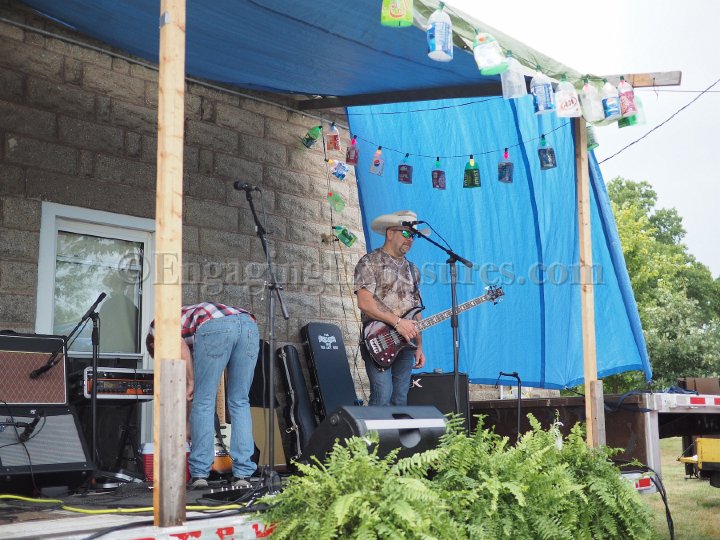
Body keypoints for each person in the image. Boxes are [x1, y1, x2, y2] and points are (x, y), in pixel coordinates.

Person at [146, 302, 259, 490]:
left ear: (154, 344)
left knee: (204, 401)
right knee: (239, 401)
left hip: (215, 326)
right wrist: (187, 423)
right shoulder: (190, 331)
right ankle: (243, 474)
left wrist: (191, 381)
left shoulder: (156, 328)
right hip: (249, 325)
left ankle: (199, 474)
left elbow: (180, 348)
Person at [354, 210, 428, 406]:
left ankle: (394, 430)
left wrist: (419, 345)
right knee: (382, 396)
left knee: (399, 399)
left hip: (407, 343)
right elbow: (365, 303)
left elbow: (415, 309)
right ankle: (374, 429)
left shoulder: (413, 270)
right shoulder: (369, 262)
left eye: (413, 236)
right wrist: (398, 323)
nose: (410, 239)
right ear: (389, 233)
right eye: (405, 233)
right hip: (378, 339)